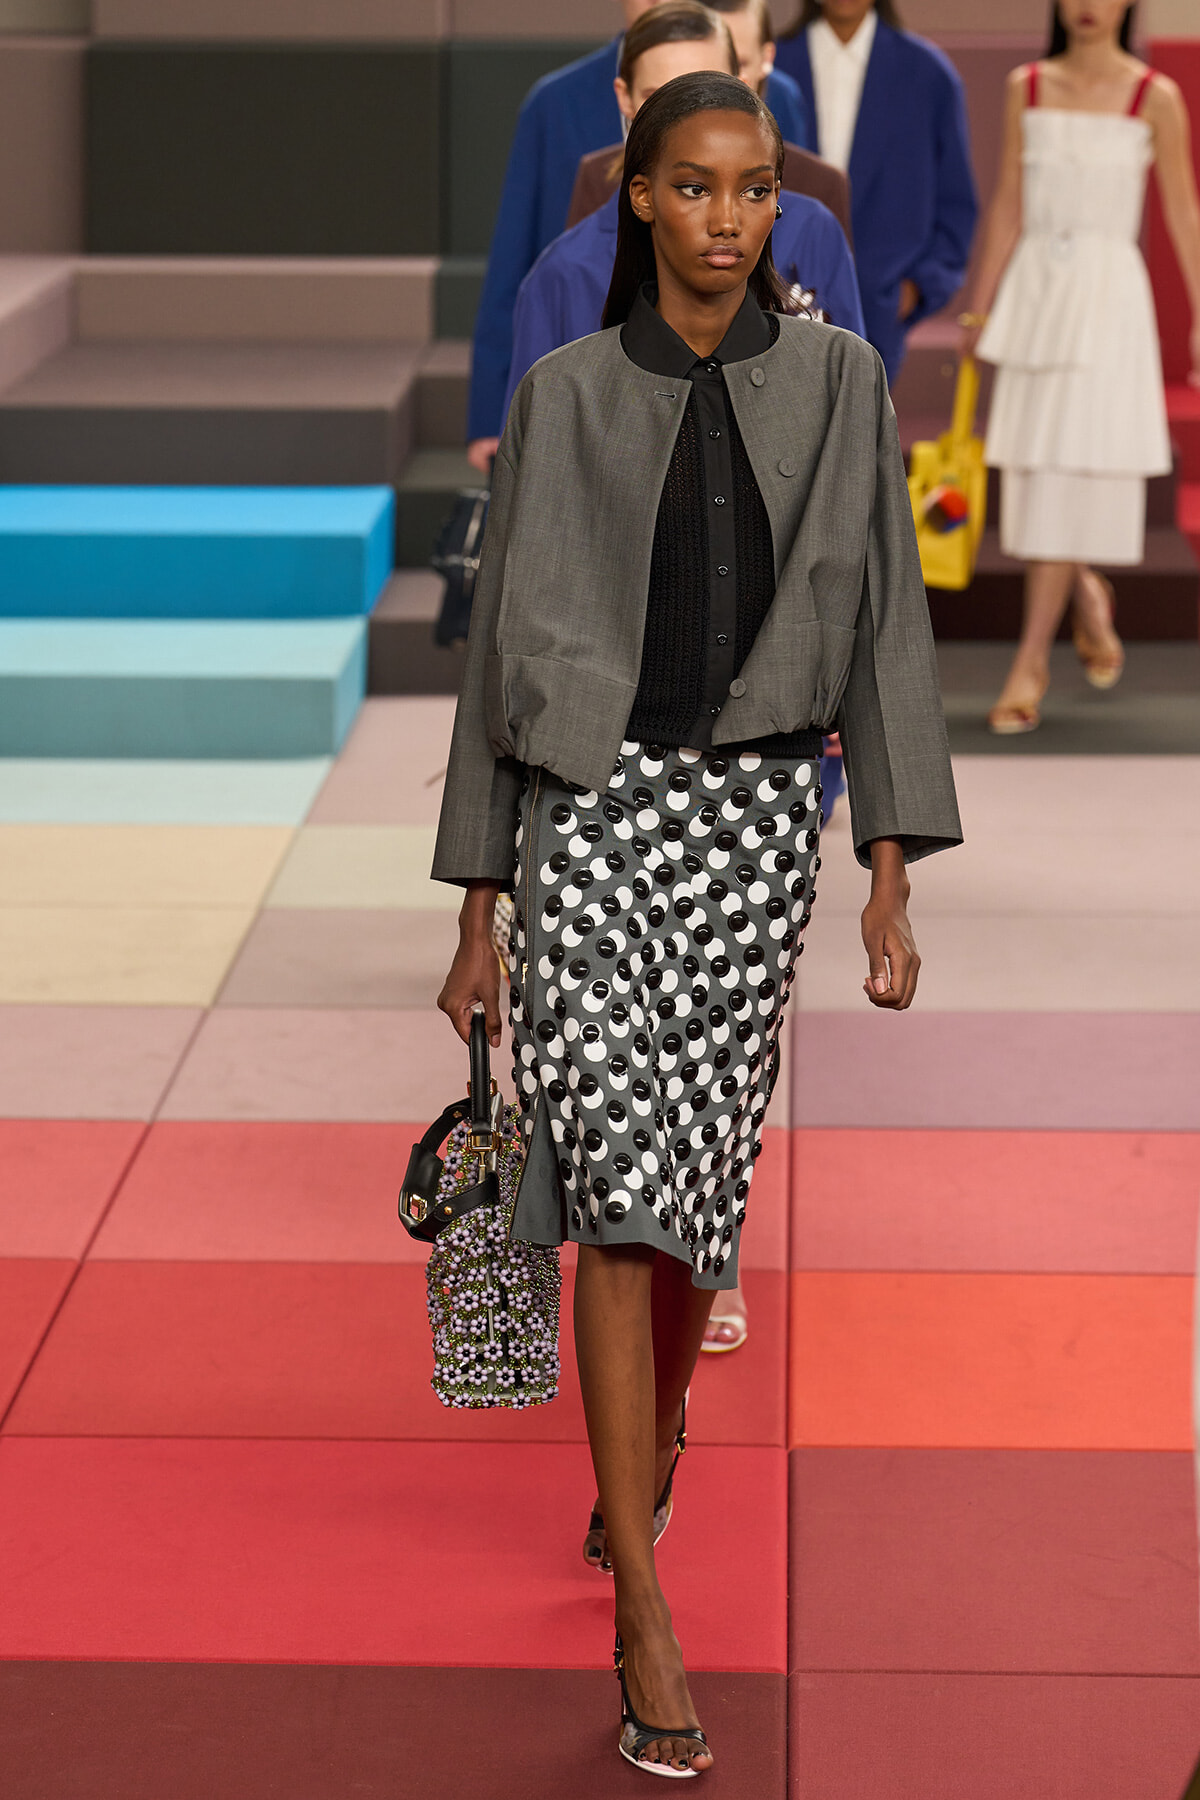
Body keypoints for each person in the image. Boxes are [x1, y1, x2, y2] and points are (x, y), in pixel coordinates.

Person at [434, 69, 960, 1778]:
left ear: (773, 211)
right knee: (608, 1188)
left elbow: (883, 627)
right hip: (589, 813)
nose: (729, 216)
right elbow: (492, 670)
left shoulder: (843, 385)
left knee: (692, 1206)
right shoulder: (567, 393)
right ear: (640, 203)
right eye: (697, 187)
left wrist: (886, 866)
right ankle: (643, 1607)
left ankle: (648, 1444)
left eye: (754, 192)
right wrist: (479, 905)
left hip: (751, 826)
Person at [504, 2, 862, 1366]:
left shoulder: (811, 243)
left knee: (714, 1031)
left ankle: (692, 1236)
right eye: (670, 102)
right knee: (603, 1036)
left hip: (762, 728)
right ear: (627, 128)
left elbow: (843, 466)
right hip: (603, 732)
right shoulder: (567, 276)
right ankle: (620, 1229)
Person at [961, 0, 1200, 734]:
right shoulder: (1026, 84)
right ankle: (1086, 593)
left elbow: (1183, 212)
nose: (1089, 6)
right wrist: (981, 304)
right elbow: (1008, 200)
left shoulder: (1153, 95)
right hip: (1036, 289)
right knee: (1039, 469)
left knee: (1073, 464)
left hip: (1108, 299)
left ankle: (1030, 659)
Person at [467, 0, 811, 472]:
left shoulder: (801, 227)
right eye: (658, 96)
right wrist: (490, 414)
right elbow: (516, 258)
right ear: (625, 97)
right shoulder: (556, 106)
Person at [774, 0, 977, 381]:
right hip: (774, 303)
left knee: (861, 434)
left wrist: (915, 289)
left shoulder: (927, 74)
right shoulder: (772, 65)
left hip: (879, 312)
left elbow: (956, 203)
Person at [566, 0, 853, 238]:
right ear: (625, 97)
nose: (680, 115)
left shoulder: (816, 205)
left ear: (740, 85)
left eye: (702, 92)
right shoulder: (598, 183)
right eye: (656, 95)